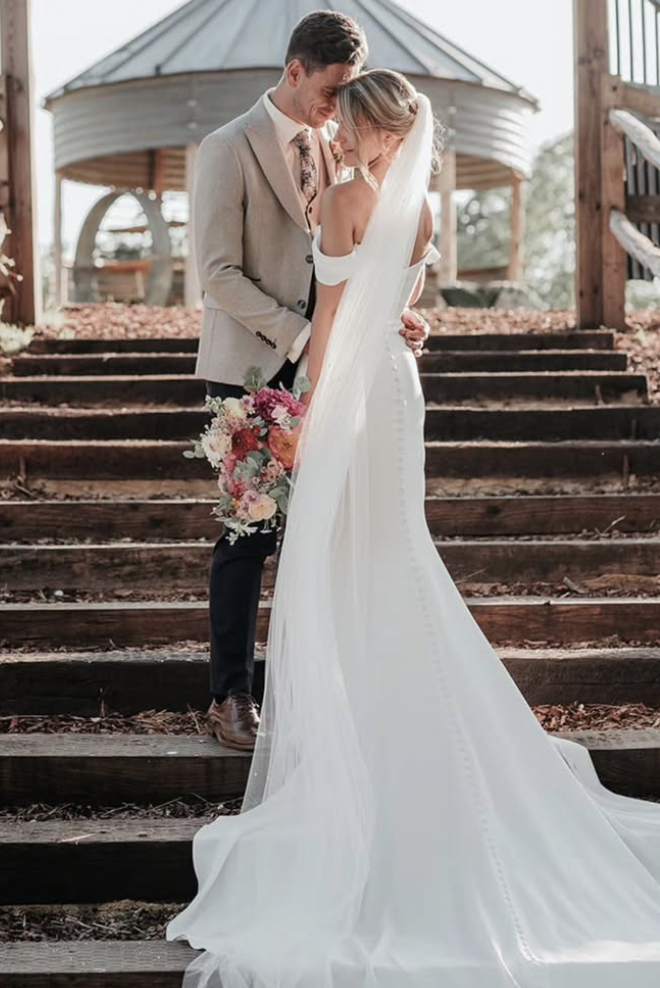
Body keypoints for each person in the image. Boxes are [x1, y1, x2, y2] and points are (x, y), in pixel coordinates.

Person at [169, 68, 660, 987]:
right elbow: (390, 309)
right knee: (387, 552)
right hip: (396, 387)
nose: (339, 130)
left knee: (336, 559)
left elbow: (330, 312)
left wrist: (298, 419)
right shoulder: (419, 206)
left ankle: (364, 731)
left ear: (374, 130)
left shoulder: (350, 197)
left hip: (351, 391)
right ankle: (395, 717)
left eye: (350, 120)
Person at [192, 11, 430, 750]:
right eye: (331, 92)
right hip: (254, 368)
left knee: (326, 535)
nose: (338, 110)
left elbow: (371, 259)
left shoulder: (351, 155)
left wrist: (389, 318)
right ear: (294, 71)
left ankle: (314, 693)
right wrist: (303, 337)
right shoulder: (225, 148)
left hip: (342, 371)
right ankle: (231, 694)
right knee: (247, 535)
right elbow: (217, 273)